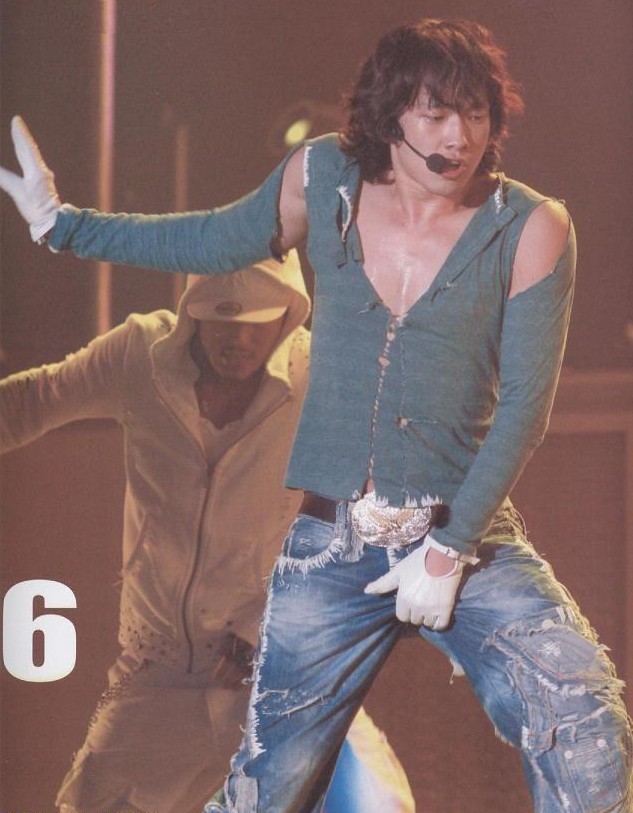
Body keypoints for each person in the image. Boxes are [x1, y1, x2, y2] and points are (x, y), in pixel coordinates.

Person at [1, 16, 632, 813]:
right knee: (266, 790)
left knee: (582, 712)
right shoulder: (325, 176)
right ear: (389, 116)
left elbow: (525, 410)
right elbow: (214, 239)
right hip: (330, 543)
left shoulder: (532, 226)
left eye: (475, 114)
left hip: (465, 534)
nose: (459, 136)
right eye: (435, 113)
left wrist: (448, 550)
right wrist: (63, 227)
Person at [0, 255, 415, 813]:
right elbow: (30, 402)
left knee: (374, 807)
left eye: (256, 321)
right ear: (194, 310)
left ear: (290, 312)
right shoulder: (139, 356)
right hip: (159, 675)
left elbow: (380, 517)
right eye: (222, 319)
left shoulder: (324, 377)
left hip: (279, 672)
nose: (238, 339)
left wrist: (274, 624)